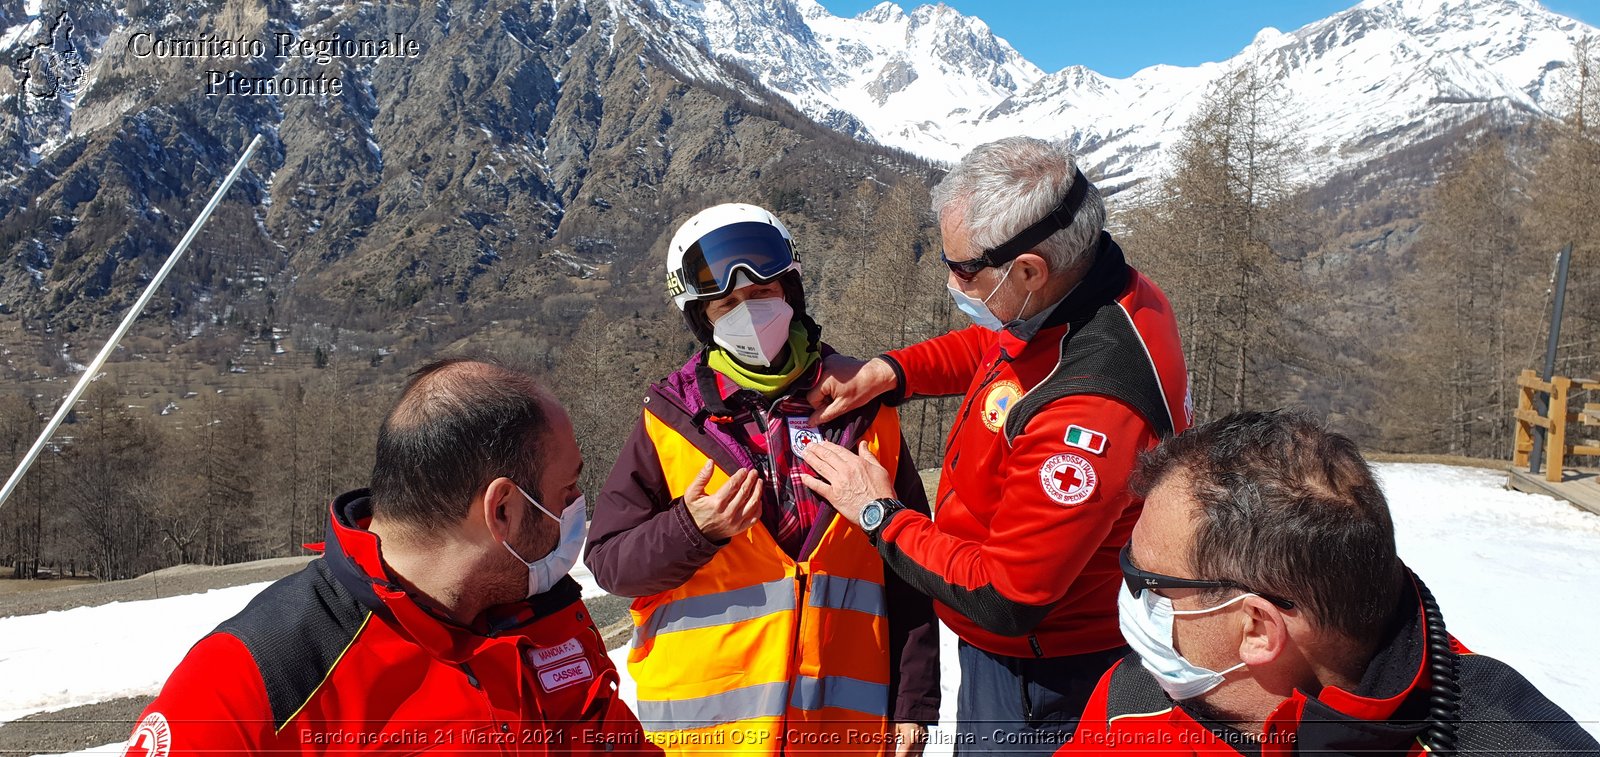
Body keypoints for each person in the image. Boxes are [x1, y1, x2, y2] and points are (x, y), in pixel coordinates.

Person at [798, 136, 1190, 753]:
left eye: (962, 269)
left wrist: (877, 512)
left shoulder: (1087, 412)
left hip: (1047, 678)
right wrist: (893, 371)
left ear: (1030, 269)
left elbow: (1008, 596)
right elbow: (998, 349)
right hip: (1031, 658)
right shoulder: (1089, 290)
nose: (950, 280)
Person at [120, 359, 654, 756]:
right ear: (504, 511)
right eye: (567, 490)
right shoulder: (253, 678)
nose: (574, 509)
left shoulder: (546, 613)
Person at [585, 203, 941, 755]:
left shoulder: (864, 409)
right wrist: (691, 529)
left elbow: (910, 569)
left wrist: (914, 705)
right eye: (727, 303)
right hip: (708, 736)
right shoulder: (671, 420)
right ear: (703, 318)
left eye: (761, 295)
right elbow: (609, 562)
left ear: (790, 292)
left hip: (840, 729)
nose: (747, 313)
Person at [1063, 410, 1600, 755]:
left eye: (1146, 578)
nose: (1132, 595)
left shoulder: (1510, 739)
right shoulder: (1134, 695)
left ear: (1256, 626)